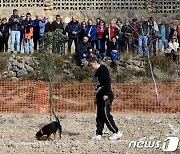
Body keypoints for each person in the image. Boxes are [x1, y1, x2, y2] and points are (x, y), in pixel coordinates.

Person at [88, 56, 122, 141]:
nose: (90, 67)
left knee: (105, 114)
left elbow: (107, 81)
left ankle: (116, 132)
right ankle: (98, 134)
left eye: (91, 65)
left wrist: (106, 93)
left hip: (106, 94)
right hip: (100, 95)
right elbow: (98, 86)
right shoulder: (97, 73)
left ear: (95, 62)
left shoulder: (103, 69)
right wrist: (96, 97)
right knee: (99, 115)